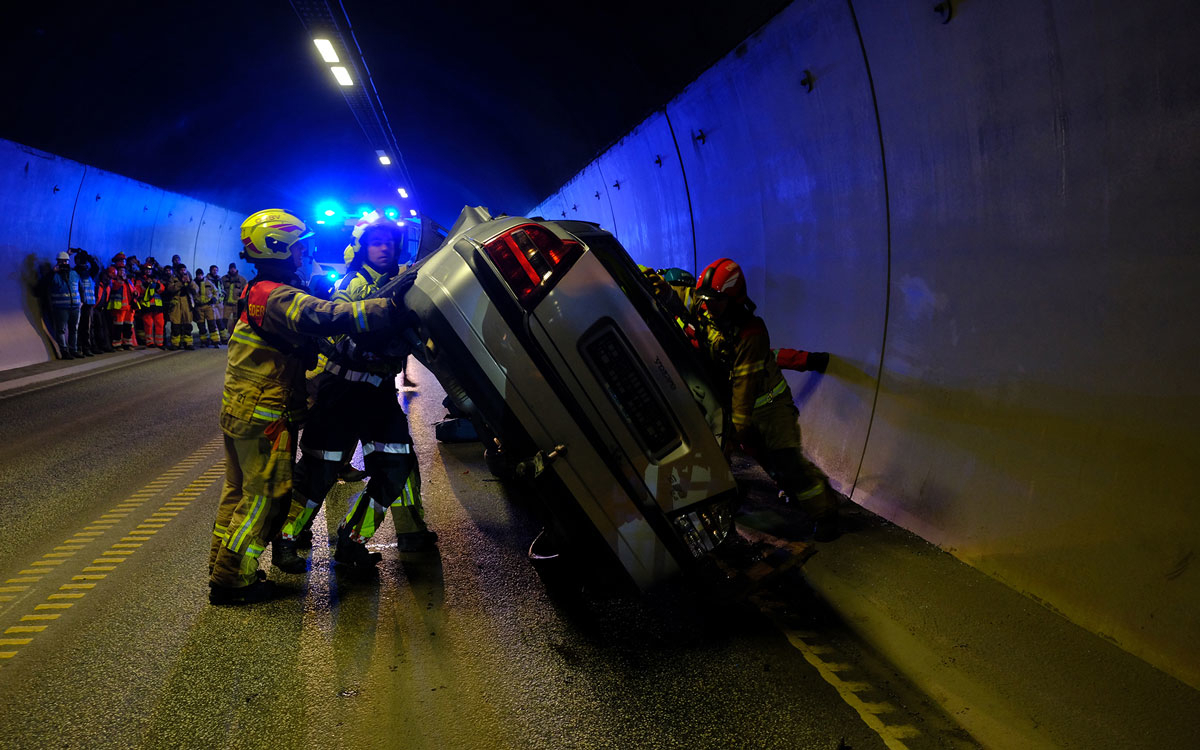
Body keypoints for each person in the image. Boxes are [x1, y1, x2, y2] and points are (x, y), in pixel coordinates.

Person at [208, 208, 409, 605]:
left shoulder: (259, 289)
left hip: (243, 407)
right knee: (264, 496)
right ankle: (234, 582)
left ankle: (223, 567)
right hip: (265, 411)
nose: (305, 252)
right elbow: (321, 317)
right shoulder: (276, 294)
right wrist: (385, 309)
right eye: (299, 246)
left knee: (237, 492)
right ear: (280, 248)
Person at [273, 216, 428, 574]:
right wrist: (377, 347)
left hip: (378, 396)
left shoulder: (404, 287)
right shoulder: (350, 285)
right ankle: (286, 539)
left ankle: (353, 539)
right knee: (318, 472)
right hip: (341, 392)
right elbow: (338, 336)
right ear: (362, 248)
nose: (384, 247)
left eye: (390, 241)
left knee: (396, 466)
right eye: (376, 242)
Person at [693, 258, 839, 542]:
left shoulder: (752, 333)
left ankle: (826, 515)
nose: (708, 306)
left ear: (734, 300)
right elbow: (684, 296)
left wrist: (733, 434)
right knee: (773, 467)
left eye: (716, 300)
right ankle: (799, 492)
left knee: (788, 462)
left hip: (771, 408)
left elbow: (744, 393)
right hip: (743, 410)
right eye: (706, 299)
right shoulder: (706, 312)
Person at [48, 251, 82, 359]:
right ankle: (64, 351)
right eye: (61, 261)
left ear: (68, 261)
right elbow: (47, 285)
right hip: (61, 308)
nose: (63, 263)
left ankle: (73, 349)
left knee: (74, 329)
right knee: (61, 330)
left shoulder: (74, 273)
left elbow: (80, 287)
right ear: (57, 262)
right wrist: (52, 273)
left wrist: (82, 301)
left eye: (65, 261)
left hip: (75, 307)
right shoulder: (54, 275)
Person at [106, 256, 137, 350]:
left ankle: (127, 343)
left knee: (128, 326)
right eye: (120, 271)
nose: (122, 273)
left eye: (123, 271)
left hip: (129, 307)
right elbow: (114, 287)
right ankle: (117, 344)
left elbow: (134, 290)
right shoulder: (114, 281)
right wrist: (121, 280)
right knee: (118, 326)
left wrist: (136, 293)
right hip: (119, 308)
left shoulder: (128, 281)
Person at [74, 250, 100, 357]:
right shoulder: (76, 272)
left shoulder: (89, 273)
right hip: (80, 303)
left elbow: (96, 267)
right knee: (79, 327)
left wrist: (88, 256)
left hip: (88, 304)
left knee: (87, 327)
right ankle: (79, 347)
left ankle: (86, 347)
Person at [167, 265, 196, 350]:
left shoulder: (189, 277)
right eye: (181, 270)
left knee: (187, 324)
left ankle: (188, 343)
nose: (183, 271)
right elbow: (170, 289)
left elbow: (196, 290)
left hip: (187, 302)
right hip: (176, 303)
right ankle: (175, 343)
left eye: (184, 269)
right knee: (176, 324)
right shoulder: (173, 278)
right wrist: (180, 283)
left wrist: (189, 282)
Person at [139, 265, 166, 348]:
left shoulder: (156, 279)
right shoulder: (140, 280)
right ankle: (150, 342)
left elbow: (162, 289)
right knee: (148, 325)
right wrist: (146, 284)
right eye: (147, 270)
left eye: (150, 270)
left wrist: (156, 284)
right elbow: (139, 290)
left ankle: (159, 342)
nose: (148, 271)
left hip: (157, 306)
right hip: (147, 306)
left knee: (160, 324)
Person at [195, 267, 222, 347]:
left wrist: (214, 298)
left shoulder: (208, 282)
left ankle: (216, 341)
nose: (200, 276)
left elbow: (216, 291)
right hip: (199, 307)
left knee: (212, 324)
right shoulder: (194, 283)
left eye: (201, 275)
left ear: (203, 275)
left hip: (208, 306)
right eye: (198, 275)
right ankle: (204, 341)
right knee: (201, 325)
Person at [220, 261, 247, 335]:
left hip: (237, 304)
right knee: (224, 319)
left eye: (234, 268)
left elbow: (246, 291)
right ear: (229, 269)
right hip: (227, 304)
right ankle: (224, 336)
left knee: (237, 320)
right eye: (231, 268)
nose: (232, 270)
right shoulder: (223, 279)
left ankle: (235, 334)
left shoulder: (242, 280)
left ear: (236, 269)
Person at [208, 265, 230, 344]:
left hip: (219, 303)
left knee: (220, 321)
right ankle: (215, 339)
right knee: (213, 322)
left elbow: (221, 289)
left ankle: (224, 338)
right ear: (210, 270)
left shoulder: (219, 279)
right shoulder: (207, 280)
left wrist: (223, 297)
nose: (215, 271)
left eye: (216, 270)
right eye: (213, 270)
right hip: (212, 303)